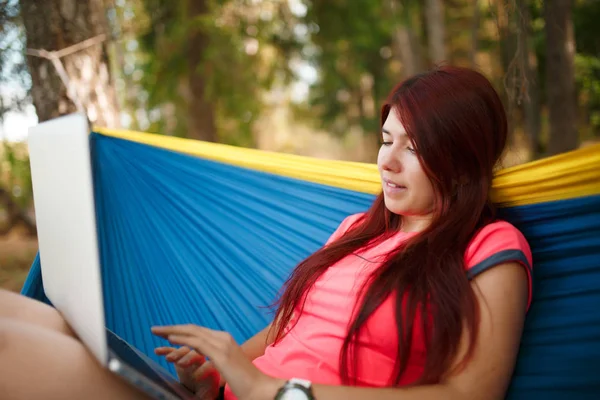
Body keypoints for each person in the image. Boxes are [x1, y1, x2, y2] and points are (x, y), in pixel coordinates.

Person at [0, 66, 532, 400]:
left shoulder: (490, 247)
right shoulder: (356, 230)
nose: (387, 163)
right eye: (385, 140)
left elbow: (472, 392)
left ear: (463, 157)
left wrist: (273, 389)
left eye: (413, 148)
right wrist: (217, 374)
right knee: (13, 311)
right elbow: (282, 335)